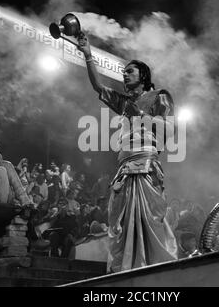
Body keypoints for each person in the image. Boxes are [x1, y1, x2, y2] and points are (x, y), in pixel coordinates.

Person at [76, 32, 178, 272]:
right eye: (124, 71)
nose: (125, 74)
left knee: (149, 218)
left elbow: (170, 129)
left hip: (146, 163)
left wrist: (142, 117)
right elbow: (97, 87)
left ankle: (157, 269)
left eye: (130, 71)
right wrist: (88, 54)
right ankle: (127, 270)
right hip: (124, 167)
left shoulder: (158, 96)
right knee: (120, 220)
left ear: (142, 75)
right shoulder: (123, 103)